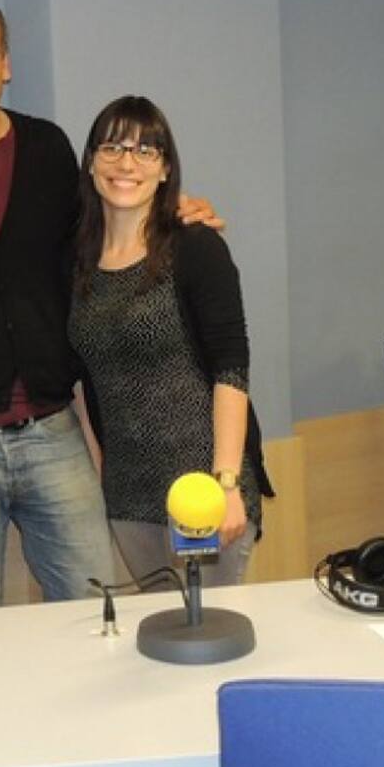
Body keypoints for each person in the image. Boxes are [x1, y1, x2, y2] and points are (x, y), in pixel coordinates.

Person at [0, 0, 220, 611]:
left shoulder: (47, 148)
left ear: (6, 64)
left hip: (52, 427)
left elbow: (105, 232)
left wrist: (174, 213)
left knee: (95, 605)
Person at [68, 96, 274, 586]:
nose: (126, 163)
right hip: (128, 495)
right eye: (112, 148)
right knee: (159, 623)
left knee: (210, 623)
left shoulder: (195, 246)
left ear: (165, 169)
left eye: (145, 150)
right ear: (91, 162)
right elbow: (82, 379)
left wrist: (226, 484)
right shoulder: (76, 262)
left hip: (204, 487)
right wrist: (99, 473)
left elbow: (231, 369)